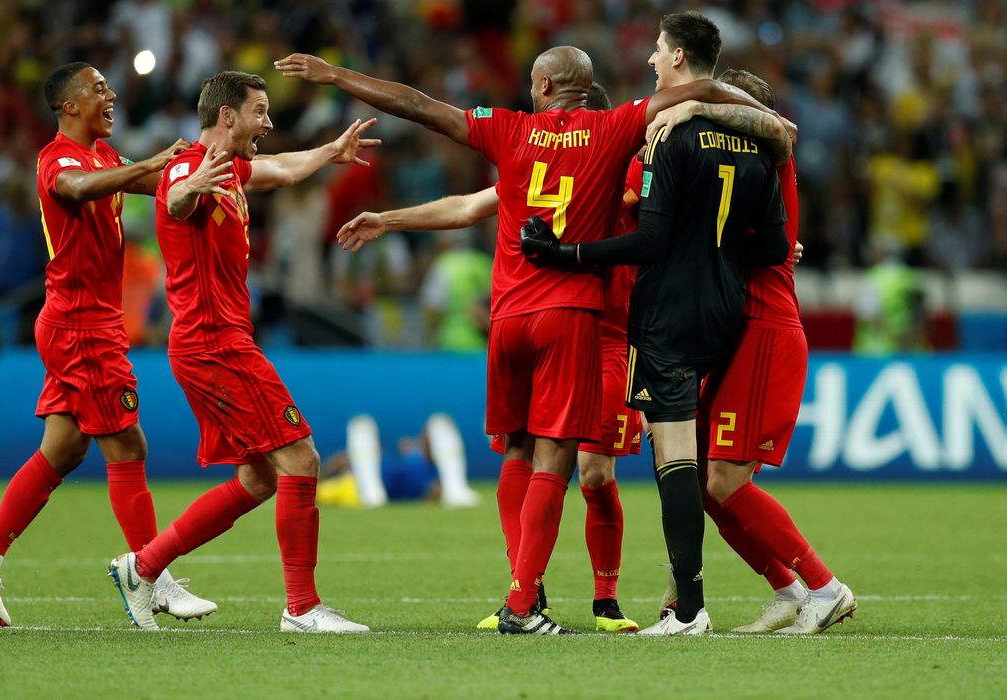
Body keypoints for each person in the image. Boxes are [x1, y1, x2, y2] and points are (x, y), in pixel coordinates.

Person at [277, 41, 778, 634]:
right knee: (562, 460)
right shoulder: (615, 135)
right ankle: (524, 602)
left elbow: (417, 106)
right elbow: (698, 91)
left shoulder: (509, 131)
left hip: (508, 316)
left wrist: (335, 75)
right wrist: (771, 123)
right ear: (588, 93)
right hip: (573, 317)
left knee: (522, 452)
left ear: (541, 89)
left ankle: (553, 596)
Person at [521, 13, 791, 636]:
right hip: (729, 312)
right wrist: (717, 255)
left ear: (677, 58)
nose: (649, 60)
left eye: (657, 51)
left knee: (674, 461)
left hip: (667, 313)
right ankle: (702, 598)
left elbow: (647, 241)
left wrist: (566, 256)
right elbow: (775, 247)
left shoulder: (671, 135)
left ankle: (688, 608)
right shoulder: (756, 142)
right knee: (699, 465)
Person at [106, 70, 379, 633]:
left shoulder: (233, 170)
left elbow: (280, 169)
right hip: (214, 342)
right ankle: (301, 608)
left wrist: (331, 150)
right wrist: (188, 188)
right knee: (301, 459)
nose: (269, 122)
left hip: (217, 341)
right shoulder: (190, 167)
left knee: (260, 477)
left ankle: (145, 566)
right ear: (227, 116)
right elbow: (176, 200)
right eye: (260, 111)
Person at [0, 62, 213, 627]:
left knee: (65, 450)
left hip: (84, 322)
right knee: (128, 446)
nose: (111, 95)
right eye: (98, 89)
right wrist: (147, 163)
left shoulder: (106, 158)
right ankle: (153, 576)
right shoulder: (58, 160)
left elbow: (159, 185)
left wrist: (212, 166)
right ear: (69, 105)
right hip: (80, 325)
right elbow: (76, 188)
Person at [654, 69, 857, 634]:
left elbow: (778, 131)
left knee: (724, 481)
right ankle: (789, 588)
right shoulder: (732, 174)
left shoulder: (770, 161)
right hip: (735, 337)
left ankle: (825, 586)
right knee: (698, 480)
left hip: (766, 330)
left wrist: (698, 108)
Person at [317, 413, 480, 508]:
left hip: (402, 479)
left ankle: (456, 490)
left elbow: (338, 461)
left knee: (439, 422)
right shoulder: (342, 488)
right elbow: (338, 462)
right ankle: (371, 492)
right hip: (377, 479)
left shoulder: (417, 465)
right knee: (361, 424)